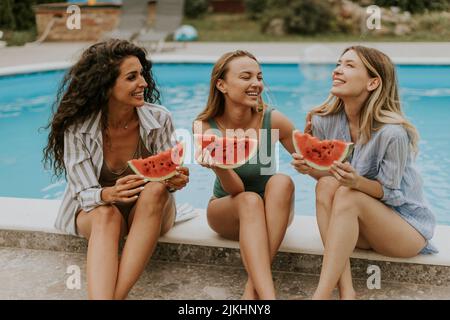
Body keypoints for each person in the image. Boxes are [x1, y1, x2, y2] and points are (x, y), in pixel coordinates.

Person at [43, 39, 189, 300]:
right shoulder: (77, 127)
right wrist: (108, 194)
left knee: (155, 189)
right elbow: (84, 192)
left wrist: (173, 179)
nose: (143, 83)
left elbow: (167, 176)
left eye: (142, 74)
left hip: (149, 212)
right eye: (132, 77)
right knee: (106, 215)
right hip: (97, 213)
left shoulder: (159, 118)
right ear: (106, 84)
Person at [291, 46, 437, 300]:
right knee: (325, 187)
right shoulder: (323, 121)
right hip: (356, 227)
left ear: (373, 82)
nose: (337, 70)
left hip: (403, 229)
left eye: (349, 65)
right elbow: (332, 178)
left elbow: (390, 193)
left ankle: (321, 295)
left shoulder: (393, 132)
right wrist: (311, 169)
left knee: (348, 195)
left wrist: (356, 182)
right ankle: (347, 291)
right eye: (338, 64)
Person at [193, 50, 296, 300]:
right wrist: (220, 166)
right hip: (228, 209)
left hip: (274, 212)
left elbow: (312, 163)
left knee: (282, 180)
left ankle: (252, 291)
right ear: (222, 85)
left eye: (259, 77)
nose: (256, 84)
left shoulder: (274, 120)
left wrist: (332, 159)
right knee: (250, 200)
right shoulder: (206, 126)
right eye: (246, 77)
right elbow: (236, 191)